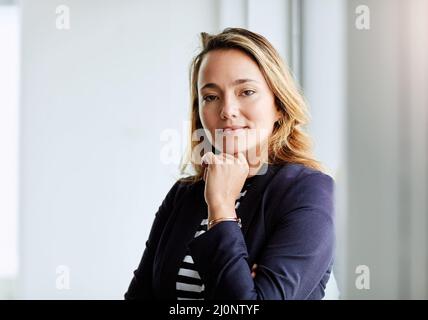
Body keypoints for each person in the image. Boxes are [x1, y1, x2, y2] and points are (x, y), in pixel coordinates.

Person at [125, 28, 335, 300]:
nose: (227, 110)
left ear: (279, 105)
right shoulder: (184, 195)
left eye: (246, 91)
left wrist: (221, 209)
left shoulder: (310, 192)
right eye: (211, 97)